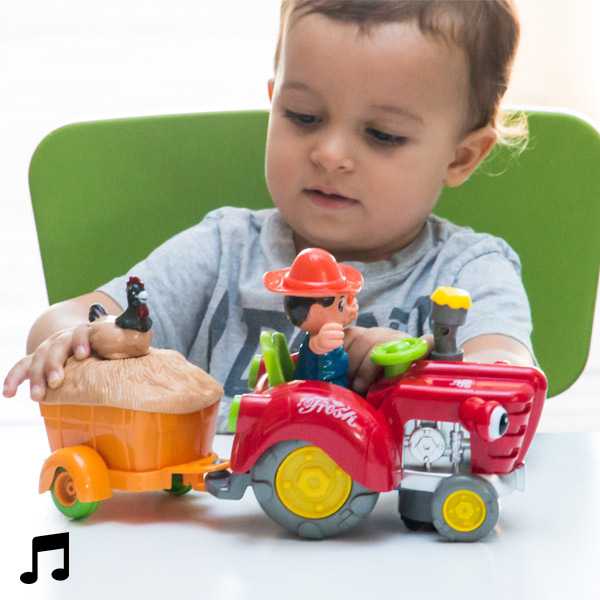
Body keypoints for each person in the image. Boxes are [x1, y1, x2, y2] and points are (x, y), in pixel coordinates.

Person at [4, 1, 536, 433]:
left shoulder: (468, 273)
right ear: (273, 103)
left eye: (382, 135)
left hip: (390, 527)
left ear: (461, 157)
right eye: (303, 117)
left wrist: (413, 369)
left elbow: (507, 380)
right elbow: (77, 317)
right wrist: (76, 339)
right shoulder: (222, 249)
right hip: (207, 522)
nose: (330, 154)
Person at [264, 247, 363, 388]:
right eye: (341, 304)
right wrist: (320, 346)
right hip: (324, 393)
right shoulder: (325, 342)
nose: (353, 306)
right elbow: (329, 374)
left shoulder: (316, 339)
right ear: (315, 311)